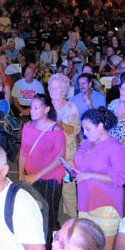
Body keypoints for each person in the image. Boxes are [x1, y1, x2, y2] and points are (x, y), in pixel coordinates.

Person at [73, 107, 125, 250]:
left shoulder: (116, 148)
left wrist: (90, 175)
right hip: (86, 200)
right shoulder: (86, 143)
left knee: (107, 249)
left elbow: (119, 179)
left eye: (88, 129)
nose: (84, 133)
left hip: (106, 203)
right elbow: (81, 165)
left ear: (101, 126)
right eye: (83, 129)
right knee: (90, 247)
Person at [18, 94, 66, 250]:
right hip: (31, 176)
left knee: (50, 214)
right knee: (34, 214)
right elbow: (24, 152)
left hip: (50, 177)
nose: (32, 110)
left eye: (36, 107)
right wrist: (20, 174)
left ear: (46, 109)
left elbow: (59, 158)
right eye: (31, 107)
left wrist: (37, 175)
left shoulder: (56, 131)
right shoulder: (28, 127)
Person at [48, 73, 80, 220]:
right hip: (49, 153)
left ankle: (73, 219)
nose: (52, 90)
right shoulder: (45, 107)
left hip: (67, 152)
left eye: (56, 87)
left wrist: (59, 124)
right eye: (50, 87)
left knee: (68, 188)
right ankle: (52, 218)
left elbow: (75, 130)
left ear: (64, 89)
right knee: (51, 186)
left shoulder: (71, 107)